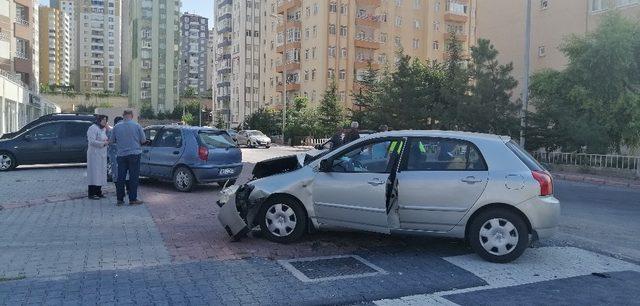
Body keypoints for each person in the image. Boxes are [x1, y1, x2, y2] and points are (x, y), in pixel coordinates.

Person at [110, 110, 146, 206]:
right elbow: (143, 140)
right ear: (132, 116)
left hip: (121, 155)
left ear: (123, 116)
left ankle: (120, 200)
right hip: (134, 154)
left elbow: (112, 140)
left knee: (121, 177)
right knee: (133, 177)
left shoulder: (116, 127)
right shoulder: (137, 126)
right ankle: (132, 199)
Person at [86, 115, 109, 200]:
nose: (104, 122)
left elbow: (105, 138)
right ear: (98, 120)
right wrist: (103, 143)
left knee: (101, 174)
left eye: (105, 120)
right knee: (94, 174)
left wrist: (106, 142)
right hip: (94, 155)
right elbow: (91, 141)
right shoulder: (93, 128)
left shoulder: (103, 129)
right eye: (103, 120)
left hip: (102, 155)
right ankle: (91, 193)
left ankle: (99, 192)